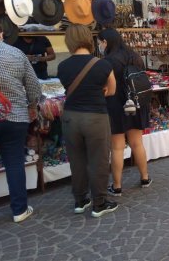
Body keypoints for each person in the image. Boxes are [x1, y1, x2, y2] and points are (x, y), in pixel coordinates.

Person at [57, 24, 118, 218]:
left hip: (70, 118)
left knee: (77, 160)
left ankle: (80, 200)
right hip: (95, 117)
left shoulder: (62, 66)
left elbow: (68, 87)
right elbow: (112, 90)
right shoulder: (103, 64)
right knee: (98, 161)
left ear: (69, 41)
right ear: (87, 39)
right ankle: (99, 203)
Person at [97, 28, 152, 197]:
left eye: (99, 42)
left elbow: (105, 86)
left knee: (117, 147)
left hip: (115, 106)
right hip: (135, 104)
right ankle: (145, 178)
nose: (99, 45)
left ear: (105, 42)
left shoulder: (108, 61)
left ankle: (117, 186)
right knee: (137, 143)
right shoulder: (133, 56)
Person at [0, 24, 41, 223]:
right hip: (14, 117)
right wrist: (31, 106)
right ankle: (19, 210)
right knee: (14, 162)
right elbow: (34, 89)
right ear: (1, 34)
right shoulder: (16, 53)